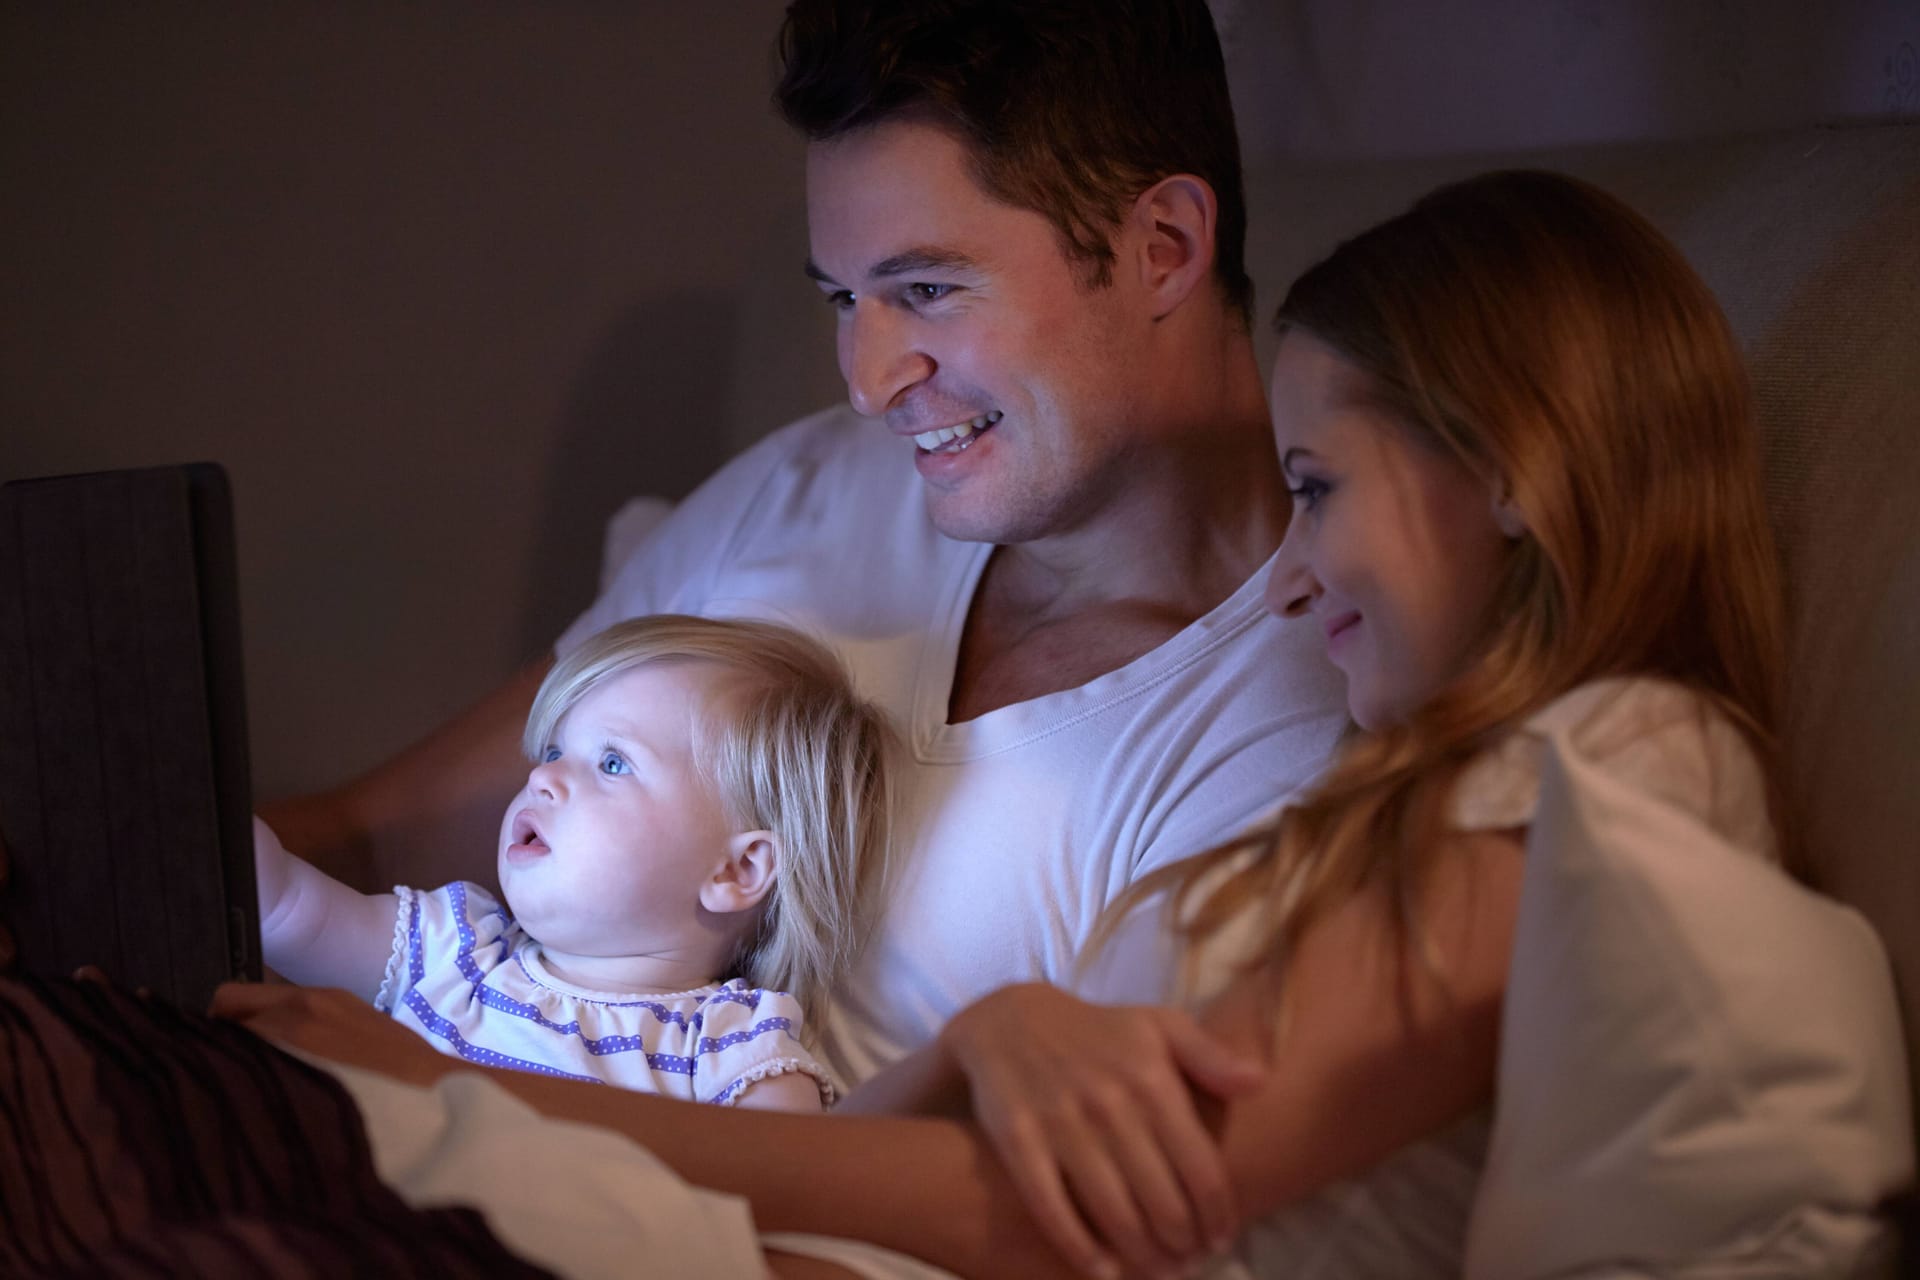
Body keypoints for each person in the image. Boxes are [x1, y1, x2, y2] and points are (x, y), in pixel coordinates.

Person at [216, 168, 1910, 1280]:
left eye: (1320, 489)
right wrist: (975, 1042)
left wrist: (480, 1104)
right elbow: (948, 1156)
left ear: (1517, 478)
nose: (1297, 572)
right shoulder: (1417, 789)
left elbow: (1070, 1222)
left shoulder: (1612, 773)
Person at [259, 0, 1348, 1101]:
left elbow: (1061, 1224)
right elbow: (374, 835)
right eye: (843, 298)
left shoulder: (1276, 743)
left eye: (926, 289)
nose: (869, 384)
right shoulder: (815, 482)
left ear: (1162, 248)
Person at [256, 614, 893, 1110]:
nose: (546, 777)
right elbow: (284, 908)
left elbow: (788, 1191)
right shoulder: (458, 949)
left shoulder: (730, 1049)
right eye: (554, 749)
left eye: (613, 762)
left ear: (736, 872)